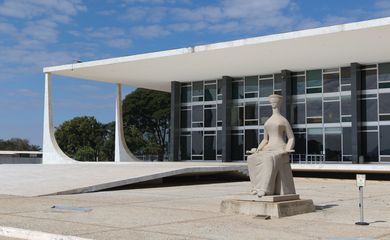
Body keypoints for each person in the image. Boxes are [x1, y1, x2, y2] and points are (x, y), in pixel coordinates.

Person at [247, 94, 296, 197]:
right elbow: (265, 139)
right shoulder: (268, 121)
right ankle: (256, 187)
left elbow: (291, 137)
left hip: (279, 149)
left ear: (279, 103)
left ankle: (266, 189)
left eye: (276, 102)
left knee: (269, 159)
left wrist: (287, 149)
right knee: (251, 158)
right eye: (272, 102)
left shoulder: (283, 120)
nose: (274, 103)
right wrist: (258, 149)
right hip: (268, 148)